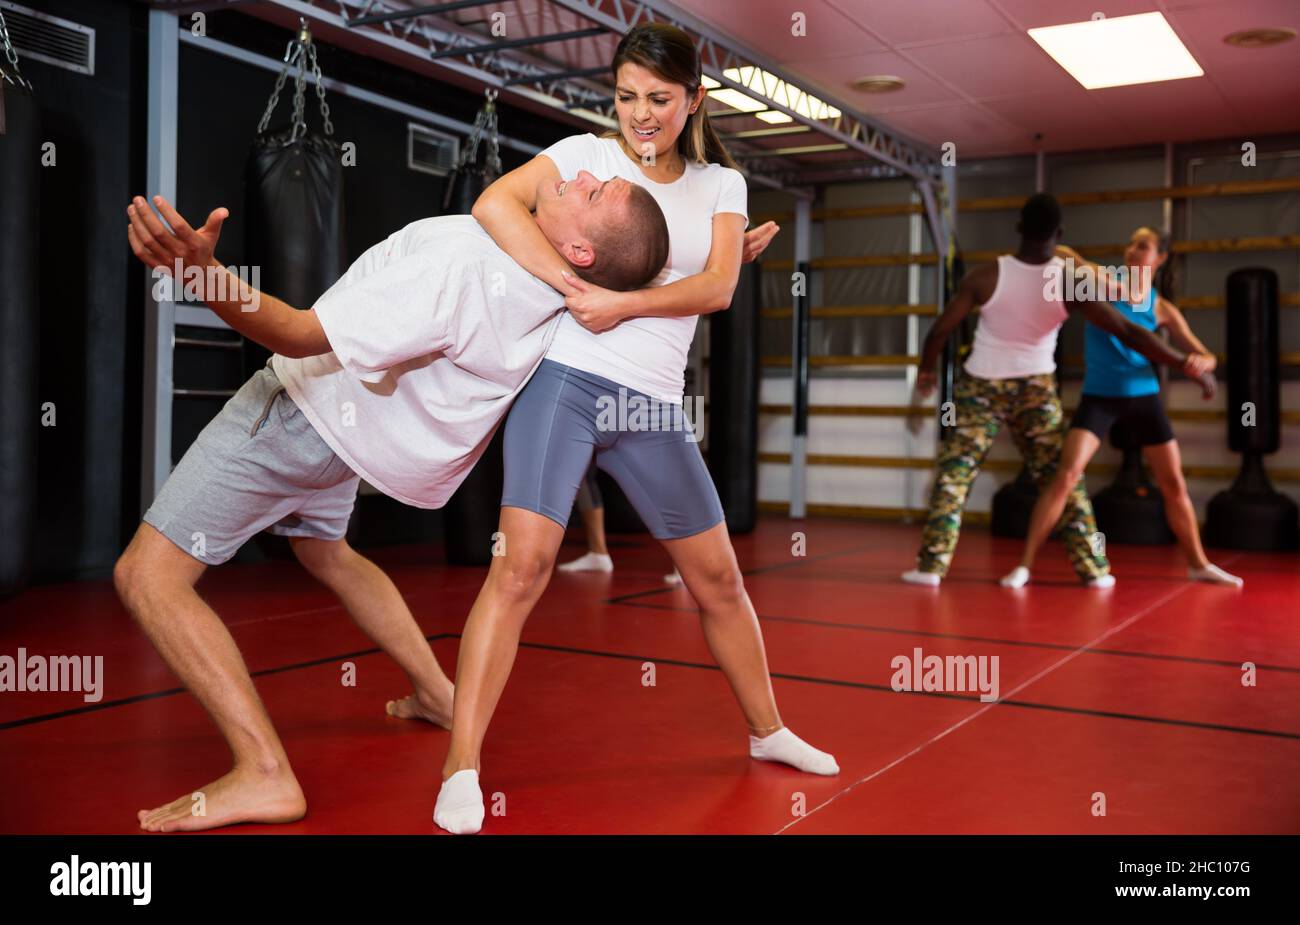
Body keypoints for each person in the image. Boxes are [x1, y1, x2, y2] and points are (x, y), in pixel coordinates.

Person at [116, 171, 670, 832]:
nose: (577, 175)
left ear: (582, 251)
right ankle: (439, 692)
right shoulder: (556, 299)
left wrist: (200, 274)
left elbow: (295, 333)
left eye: (595, 193)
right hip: (352, 438)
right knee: (327, 552)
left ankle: (265, 771)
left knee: (148, 575)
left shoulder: (462, 264)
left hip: (302, 409)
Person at [433, 22, 825, 837]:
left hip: (651, 404)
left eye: (658, 99)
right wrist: (570, 283)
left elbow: (716, 288)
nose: (639, 116)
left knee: (718, 579)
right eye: (625, 97)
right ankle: (461, 766)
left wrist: (623, 303)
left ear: (694, 100)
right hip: (567, 383)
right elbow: (492, 203)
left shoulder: (722, 185)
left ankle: (768, 731)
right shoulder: (587, 154)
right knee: (522, 569)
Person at [901, 194, 1215, 588]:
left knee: (954, 475)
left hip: (982, 385)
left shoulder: (984, 276)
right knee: (1062, 478)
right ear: (1059, 233)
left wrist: (927, 370)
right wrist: (1184, 363)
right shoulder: (1068, 284)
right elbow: (1130, 332)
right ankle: (1094, 570)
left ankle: (931, 568)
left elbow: (940, 330)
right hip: (1036, 388)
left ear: (1019, 228)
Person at [1001, 228, 1242, 588]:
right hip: (1100, 397)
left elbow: (1205, 354)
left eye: (1142, 246)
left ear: (1159, 258)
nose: (1132, 250)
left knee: (1173, 483)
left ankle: (1198, 563)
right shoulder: (1102, 281)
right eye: (1130, 243)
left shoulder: (1161, 307)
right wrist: (1063, 252)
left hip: (1144, 397)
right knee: (1065, 476)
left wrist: (1199, 364)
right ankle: (1024, 566)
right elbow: (1067, 254)